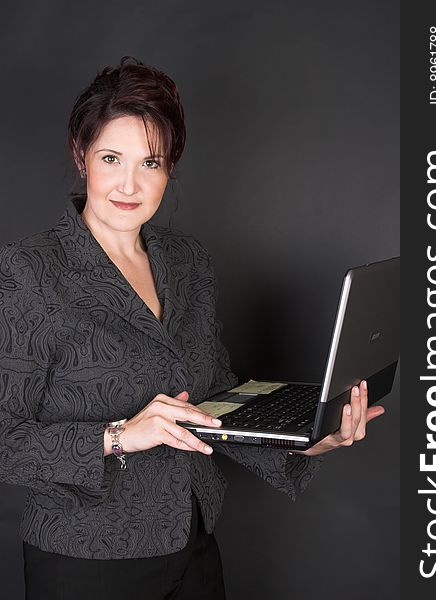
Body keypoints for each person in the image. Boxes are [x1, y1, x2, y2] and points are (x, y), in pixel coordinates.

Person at [0, 56, 385, 600]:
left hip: (193, 543)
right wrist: (119, 437)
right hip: (87, 558)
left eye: (150, 163)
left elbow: (210, 405)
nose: (129, 184)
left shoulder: (186, 261)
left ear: (170, 169)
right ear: (81, 155)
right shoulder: (27, 270)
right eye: (112, 157)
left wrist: (311, 438)